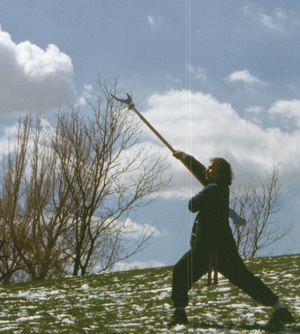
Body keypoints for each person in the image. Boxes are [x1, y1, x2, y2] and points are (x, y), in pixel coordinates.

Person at [168, 151, 294, 329]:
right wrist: (185, 158)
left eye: (211, 168)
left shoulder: (212, 189)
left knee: (181, 272)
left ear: (219, 173)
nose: (207, 170)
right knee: (245, 280)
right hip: (221, 249)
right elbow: (200, 171)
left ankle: (180, 313)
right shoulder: (219, 188)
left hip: (207, 250)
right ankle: (280, 309)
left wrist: (200, 192)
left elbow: (192, 205)